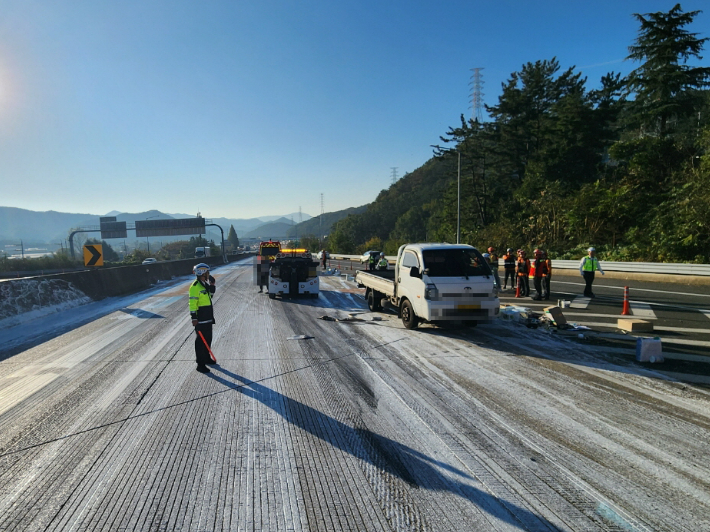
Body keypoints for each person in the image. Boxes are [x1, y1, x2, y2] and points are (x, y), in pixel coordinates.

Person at [189, 263, 216, 373]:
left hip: (208, 316)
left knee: (208, 339)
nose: (209, 274)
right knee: (200, 341)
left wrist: (212, 285)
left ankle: (206, 357)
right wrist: (194, 318)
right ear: (202, 273)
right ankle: (200, 364)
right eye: (207, 273)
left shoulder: (204, 284)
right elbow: (192, 303)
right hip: (201, 318)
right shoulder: (195, 287)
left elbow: (210, 296)